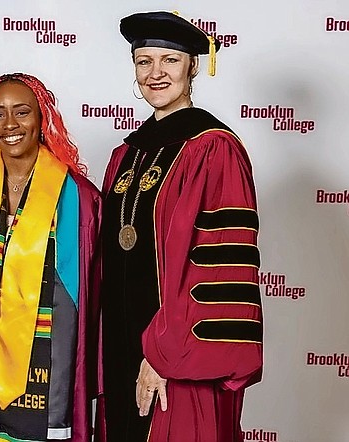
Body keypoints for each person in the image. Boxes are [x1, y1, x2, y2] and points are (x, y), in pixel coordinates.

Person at [97, 11, 263, 442]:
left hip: (179, 355)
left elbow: (218, 268)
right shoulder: (125, 155)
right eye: (144, 61)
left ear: (192, 66)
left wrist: (162, 355)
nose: (155, 73)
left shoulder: (213, 148)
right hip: (121, 346)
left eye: (169, 60)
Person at [0, 73, 102, 442]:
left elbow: (88, 299)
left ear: (43, 119)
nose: (10, 124)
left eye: (22, 112)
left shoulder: (78, 198)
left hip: (45, 360)